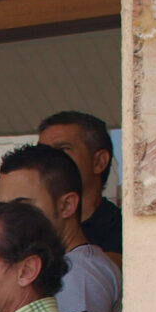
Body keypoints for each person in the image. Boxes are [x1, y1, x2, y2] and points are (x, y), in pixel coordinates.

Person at [0, 142, 121, 312]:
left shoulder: (79, 273)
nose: (9, 219)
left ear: (67, 205)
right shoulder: (63, 266)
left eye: (23, 207)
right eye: (3, 209)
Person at [40, 108, 122, 256]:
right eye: (41, 152)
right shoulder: (33, 227)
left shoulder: (123, 230)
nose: (47, 161)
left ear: (99, 161)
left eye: (63, 150)